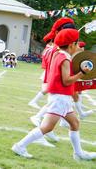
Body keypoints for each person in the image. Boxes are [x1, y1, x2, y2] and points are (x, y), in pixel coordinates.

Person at [12, 29, 96, 160]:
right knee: (46, 127)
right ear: (71, 45)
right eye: (77, 44)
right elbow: (66, 81)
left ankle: (78, 153)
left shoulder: (58, 54)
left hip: (61, 97)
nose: (79, 46)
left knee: (75, 123)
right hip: (60, 98)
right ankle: (20, 145)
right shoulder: (65, 59)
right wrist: (82, 73)